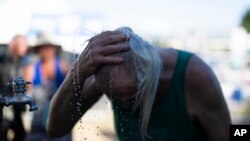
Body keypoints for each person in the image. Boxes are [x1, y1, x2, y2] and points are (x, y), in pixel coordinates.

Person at [47, 27, 231, 141]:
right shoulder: (107, 77)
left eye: (132, 95)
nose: (125, 104)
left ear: (149, 76)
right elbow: (55, 129)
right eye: (116, 98)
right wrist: (76, 73)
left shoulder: (194, 76)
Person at [25, 32, 70, 141]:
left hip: (60, 123)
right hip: (37, 124)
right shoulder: (31, 69)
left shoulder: (64, 67)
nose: (46, 50)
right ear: (38, 50)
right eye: (43, 47)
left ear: (54, 49)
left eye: (48, 47)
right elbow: (25, 94)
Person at [0, 35, 30, 141]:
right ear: (13, 45)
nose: (25, 48)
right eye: (22, 45)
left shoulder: (21, 61)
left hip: (16, 105)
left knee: (20, 132)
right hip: (4, 104)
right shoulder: (2, 58)